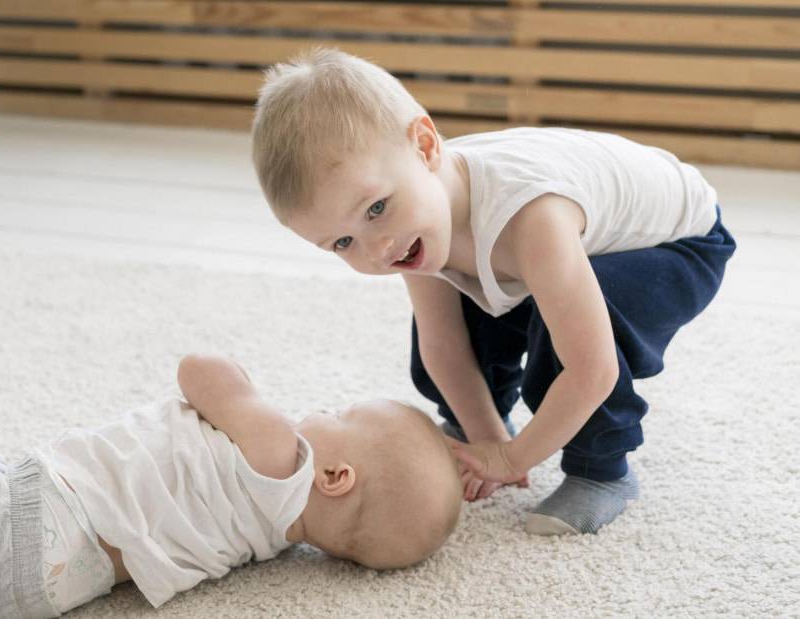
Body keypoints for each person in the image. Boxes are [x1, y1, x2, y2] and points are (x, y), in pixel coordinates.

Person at [250, 47, 735, 536]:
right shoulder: (411, 222)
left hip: (679, 243)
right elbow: (443, 345)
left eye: (376, 208)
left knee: (570, 339)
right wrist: (487, 436)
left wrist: (510, 458)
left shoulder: (532, 217)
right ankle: (485, 418)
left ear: (424, 146)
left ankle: (602, 471)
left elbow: (594, 368)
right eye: (342, 242)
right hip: (556, 247)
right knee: (452, 326)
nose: (377, 250)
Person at [0, 353, 462, 618]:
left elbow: (201, 371)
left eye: (343, 415)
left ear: (336, 475)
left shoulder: (280, 449)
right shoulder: (274, 539)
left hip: (41, 505)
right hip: (52, 586)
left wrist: (248, 389)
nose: (326, 408)